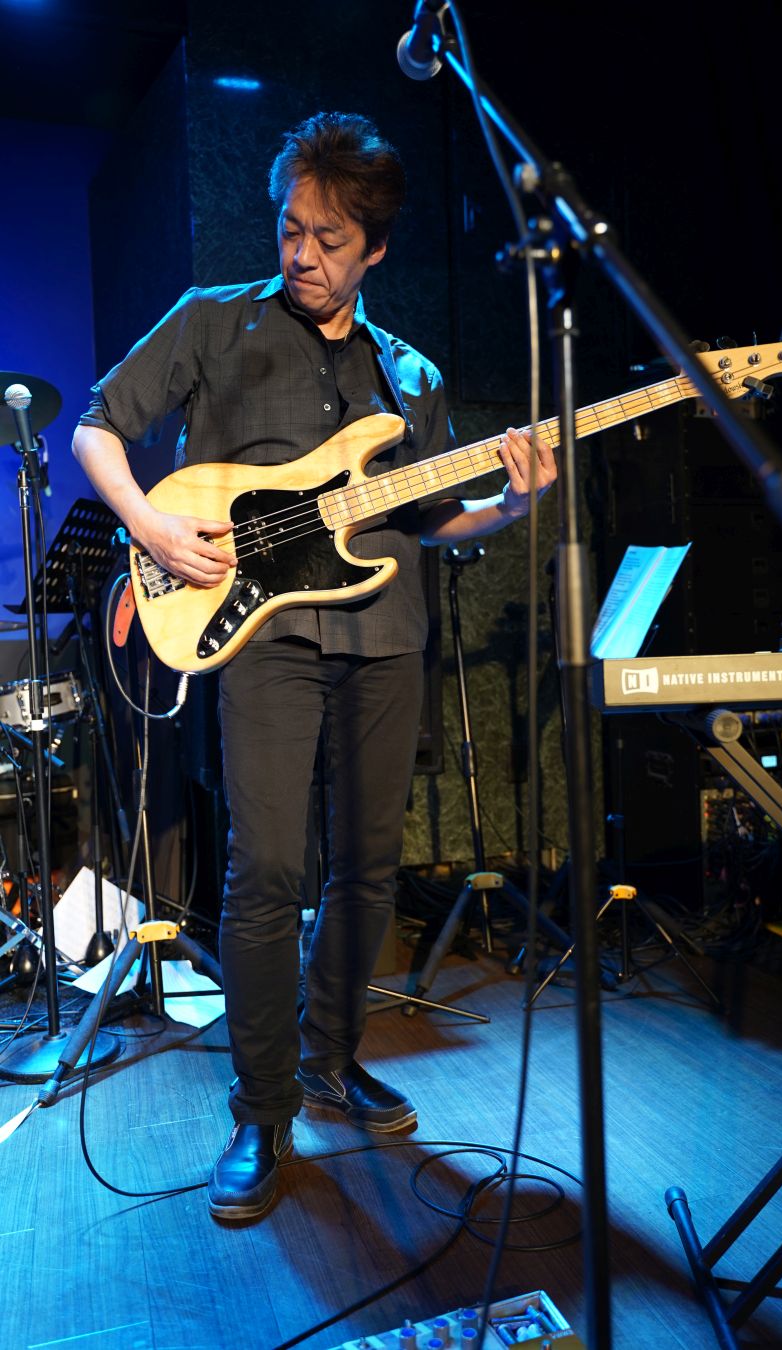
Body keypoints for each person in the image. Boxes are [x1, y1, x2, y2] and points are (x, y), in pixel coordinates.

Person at [72, 110, 556, 1221]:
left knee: (370, 868)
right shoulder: (212, 320)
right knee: (266, 871)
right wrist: (150, 524)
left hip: (386, 635)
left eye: (330, 240)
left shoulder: (410, 373)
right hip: (262, 638)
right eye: (292, 229)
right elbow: (98, 424)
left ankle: (331, 1059)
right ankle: (262, 1107)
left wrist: (511, 504)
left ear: (375, 248)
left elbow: (430, 519)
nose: (302, 253)